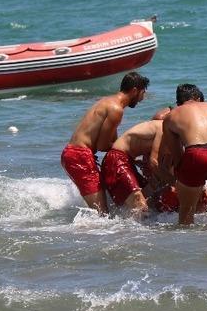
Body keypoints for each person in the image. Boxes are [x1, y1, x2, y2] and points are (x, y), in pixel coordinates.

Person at [61, 71, 149, 214]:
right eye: (142, 93)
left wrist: (130, 157)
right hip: (80, 156)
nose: (142, 98)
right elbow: (103, 145)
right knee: (101, 213)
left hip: (74, 154)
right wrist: (126, 153)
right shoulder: (116, 109)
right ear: (134, 91)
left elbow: (112, 141)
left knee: (103, 210)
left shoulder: (108, 102)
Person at [161, 84, 207, 224]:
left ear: (178, 102)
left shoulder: (172, 116)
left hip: (195, 153)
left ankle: (189, 245)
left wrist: (181, 177)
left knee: (187, 210)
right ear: (197, 97)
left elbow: (177, 154)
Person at [101, 107, 171, 215]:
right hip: (117, 159)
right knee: (142, 208)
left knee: (150, 202)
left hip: (125, 161)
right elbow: (154, 162)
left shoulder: (163, 133)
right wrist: (173, 181)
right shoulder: (162, 128)